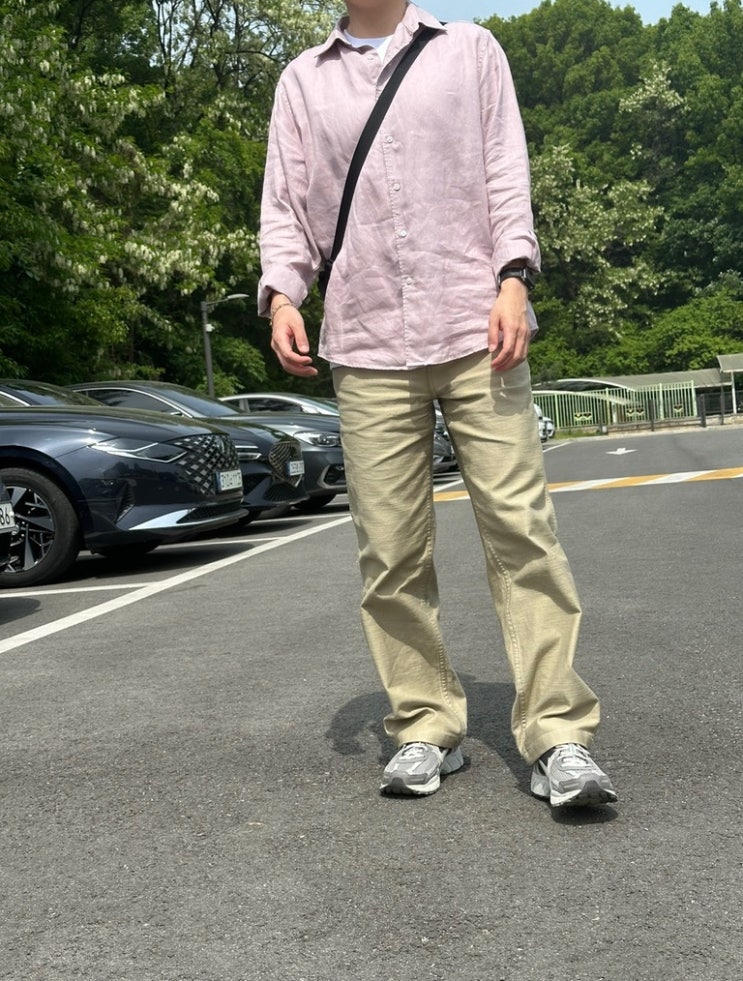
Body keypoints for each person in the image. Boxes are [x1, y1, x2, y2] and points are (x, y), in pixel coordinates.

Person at [258, 0, 617, 808]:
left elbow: (504, 171)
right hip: (365, 339)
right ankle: (424, 722)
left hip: (473, 326)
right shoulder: (302, 81)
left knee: (522, 531)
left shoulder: (469, 51)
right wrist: (282, 295)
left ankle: (556, 733)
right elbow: (287, 205)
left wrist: (514, 278)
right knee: (389, 551)